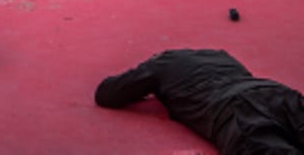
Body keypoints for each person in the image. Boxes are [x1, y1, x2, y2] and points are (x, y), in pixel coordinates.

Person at [95, 48, 304, 153]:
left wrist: (150, 85)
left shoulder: (161, 64)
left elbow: (107, 94)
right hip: (278, 93)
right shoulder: (221, 55)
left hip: (235, 108)